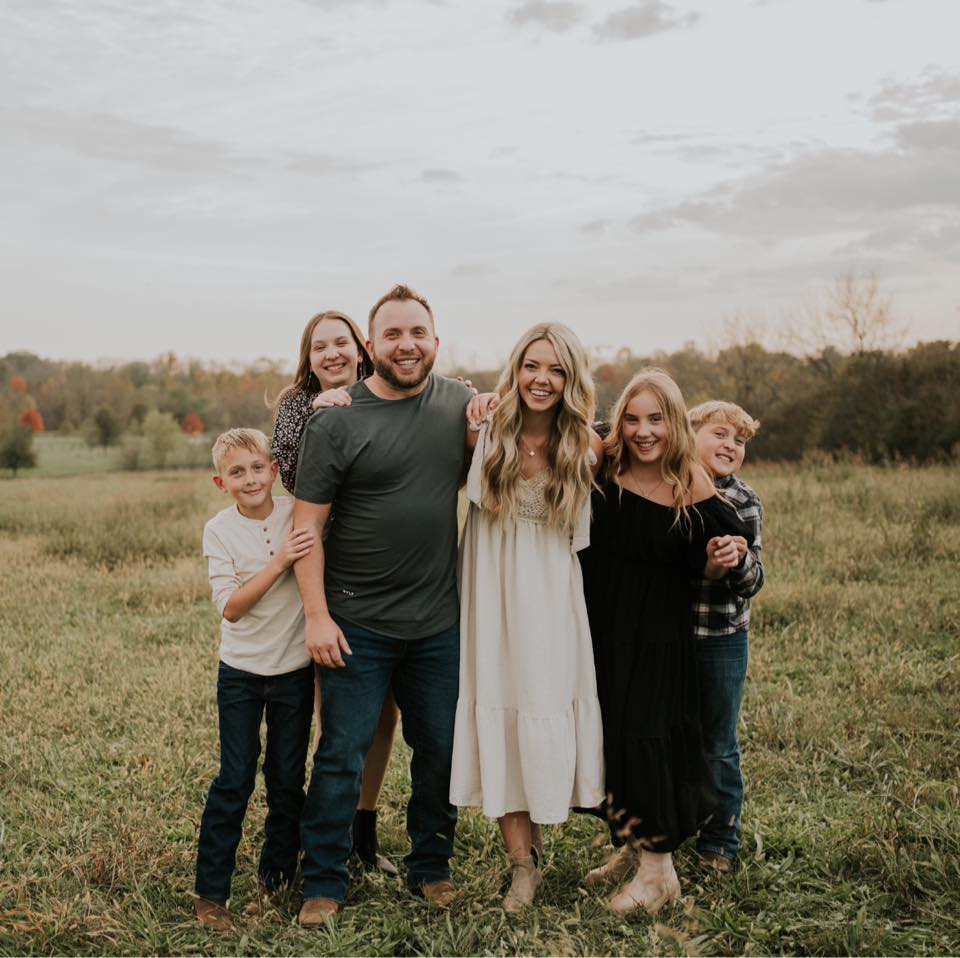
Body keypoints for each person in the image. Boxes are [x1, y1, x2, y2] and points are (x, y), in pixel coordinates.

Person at [292, 284, 474, 926]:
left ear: (435, 340)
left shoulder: (462, 406)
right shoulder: (335, 419)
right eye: (392, 334)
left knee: (441, 748)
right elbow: (306, 527)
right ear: (373, 347)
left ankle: (432, 867)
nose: (406, 345)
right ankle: (323, 881)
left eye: (417, 333)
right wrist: (316, 614)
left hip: (437, 622)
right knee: (341, 751)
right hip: (354, 622)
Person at [579, 369, 751, 916]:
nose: (643, 431)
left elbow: (724, 548)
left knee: (648, 740)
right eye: (632, 419)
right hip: (602, 630)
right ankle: (636, 846)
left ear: (674, 423)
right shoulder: (603, 466)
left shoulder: (690, 482)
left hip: (656, 637)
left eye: (655, 419)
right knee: (614, 739)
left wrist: (727, 559)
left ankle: (659, 874)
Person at [450, 323, 605, 912]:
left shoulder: (587, 446)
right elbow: (408, 398)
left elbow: (665, 464)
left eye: (557, 370)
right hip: (489, 593)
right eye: (532, 366)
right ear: (515, 369)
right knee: (500, 705)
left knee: (541, 705)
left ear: (572, 379)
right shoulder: (482, 429)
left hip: (552, 598)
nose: (542, 379)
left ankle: (549, 841)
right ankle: (521, 865)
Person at [270, 310, 399, 877]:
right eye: (319, 346)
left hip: (389, 573)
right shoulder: (298, 407)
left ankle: (365, 827)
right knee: (341, 708)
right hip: (327, 567)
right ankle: (330, 826)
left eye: (340, 343)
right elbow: (295, 476)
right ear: (309, 356)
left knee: (386, 709)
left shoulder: (386, 392)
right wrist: (325, 417)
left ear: (360, 348)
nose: (331, 354)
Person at [194, 428, 316, 930]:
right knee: (235, 778)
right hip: (241, 675)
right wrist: (281, 560)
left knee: (287, 782)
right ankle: (210, 895)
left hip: (293, 674)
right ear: (221, 481)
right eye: (237, 472)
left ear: (275, 470)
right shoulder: (218, 530)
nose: (250, 479)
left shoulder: (296, 514)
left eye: (258, 468)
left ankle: (274, 883)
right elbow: (233, 609)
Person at [688, 400, 765, 873]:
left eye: (738, 441)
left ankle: (720, 841)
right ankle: (657, 833)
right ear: (688, 432)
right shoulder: (666, 488)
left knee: (718, 741)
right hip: (670, 636)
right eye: (719, 434)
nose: (730, 445)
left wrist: (733, 563)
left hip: (721, 637)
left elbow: (755, 579)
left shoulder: (742, 501)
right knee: (667, 737)